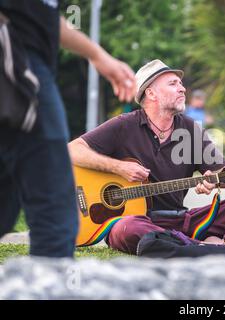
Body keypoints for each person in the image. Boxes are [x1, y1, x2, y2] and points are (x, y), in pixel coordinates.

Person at [68, 59, 225, 255]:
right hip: (139, 221)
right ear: (151, 93)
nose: (182, 88)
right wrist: (118, 168)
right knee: (125, 228)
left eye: (181, 84)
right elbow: (72, 150)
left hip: (183, 219)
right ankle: (205, 246)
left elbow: (224, 173)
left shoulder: (191, 129)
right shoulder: (123, 125)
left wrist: (218, 180)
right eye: (173, 83)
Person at [0, 0, 135, 258]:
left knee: (5, 208)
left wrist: (97, 54)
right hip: (17, 59)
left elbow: (45, 16)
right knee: (56, 216)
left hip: (26, 59)